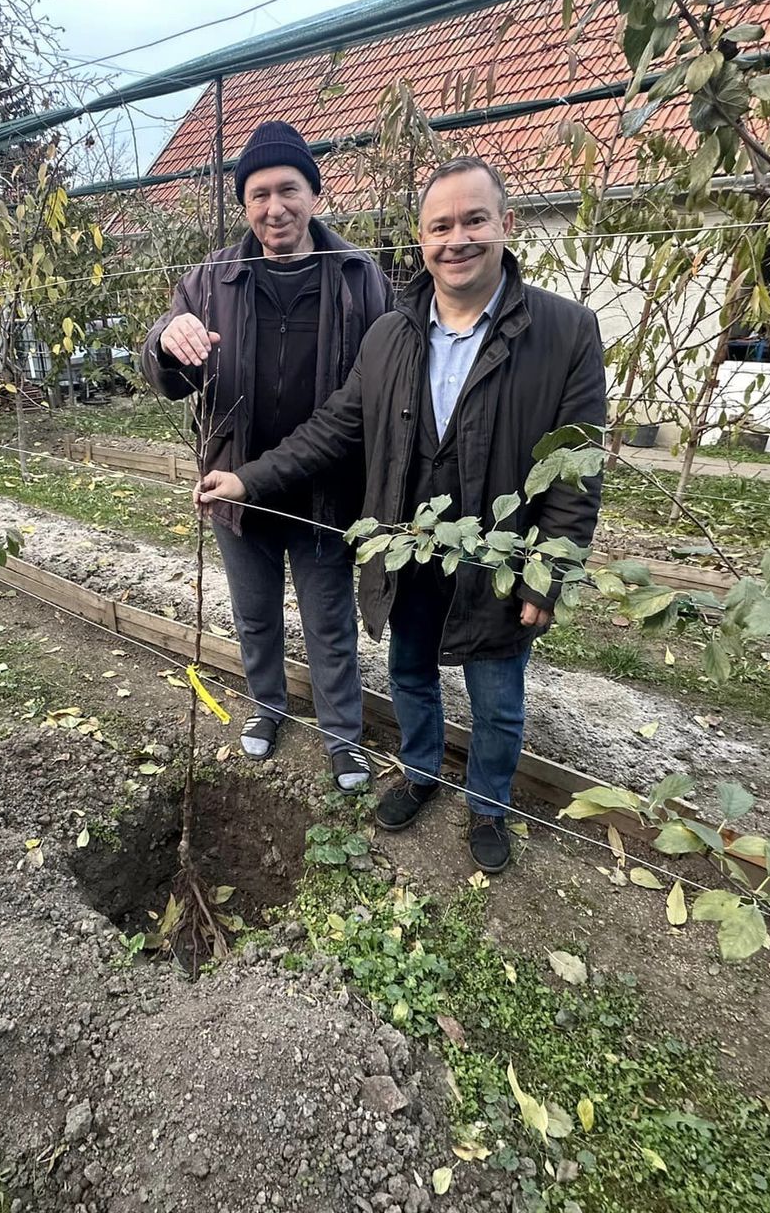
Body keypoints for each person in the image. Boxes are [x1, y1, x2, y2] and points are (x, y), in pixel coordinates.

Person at [195, 156, 608, 873]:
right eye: (439, 226)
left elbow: (577, 470)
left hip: (500, 559)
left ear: (506, 225)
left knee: (496, 699)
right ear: (420, 239)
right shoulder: (392, 333)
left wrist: (548, 571)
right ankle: (420, 773)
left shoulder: (564, 331)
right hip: (408, 545)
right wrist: (248, 480)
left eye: (474, 221)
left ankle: (488, 806)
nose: (457, 240)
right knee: (410, 673)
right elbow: (334, 428)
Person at [142, 120, 393, 791]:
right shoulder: (211, 279)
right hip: (235, 487)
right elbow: (165, 373)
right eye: (258, 194)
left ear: (314, 194)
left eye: (288, 190)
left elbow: (382, 381)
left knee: (328, 623)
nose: (274, 207)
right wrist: (166, 338)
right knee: (254, 617)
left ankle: (343, 738)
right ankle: (267, 707)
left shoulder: (359, 277)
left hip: (325, 489)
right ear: (244, 205)